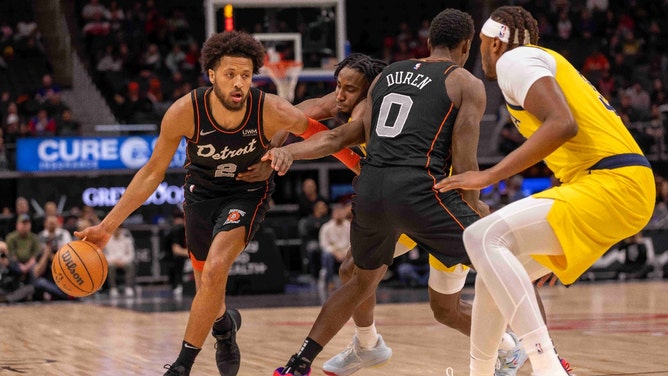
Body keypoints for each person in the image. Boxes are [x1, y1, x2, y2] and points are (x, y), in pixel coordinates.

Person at [74, 30, 357, 376]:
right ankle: (224, 328)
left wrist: (359, 165)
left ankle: (181, 366)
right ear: (211, 75)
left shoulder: (269, 109)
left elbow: (320, 132)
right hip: (201, 194)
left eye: (246, 75)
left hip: (247, 192)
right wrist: (107, 227)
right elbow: (151, 173)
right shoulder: (185, 111)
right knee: (207, 291)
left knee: (217, 266)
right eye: (229, 74)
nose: (239, 83)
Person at [267, 9, 495, 376]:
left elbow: (464, 163)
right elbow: (313, 114)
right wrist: (280, 138)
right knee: (353, 270)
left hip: (435, 198)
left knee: (446, 309)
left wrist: (474, 208)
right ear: (466, 46)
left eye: (348, 88)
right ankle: (367, 345)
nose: (339, 96)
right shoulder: (363, 98)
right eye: (338, 86)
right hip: (402, 198)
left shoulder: (393, 85)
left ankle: (515, 348)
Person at [434, 6, 654, 376]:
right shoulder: (535, 63)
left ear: (495, 43)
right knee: (496, 270)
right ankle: (482, 372)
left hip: (614, 183)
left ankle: (545, 364)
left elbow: (562, 125)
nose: (480, 52)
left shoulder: (514, 61)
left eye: (483, 43)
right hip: (609, 186)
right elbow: (571, 143)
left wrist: (490, 176)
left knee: (481, 237)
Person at [317, 203, 351, 291]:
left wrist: (345, 253)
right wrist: (336, 253)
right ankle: (330, 282)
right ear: (333, 214)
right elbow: (324, 244)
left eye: (341, 212)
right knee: (326, 255)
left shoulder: (350, 226)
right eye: (337, 212)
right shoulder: (326, 227)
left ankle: (352, 282)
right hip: (333, 253)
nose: (339, 214)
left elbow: (353, 243)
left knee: (357, 254)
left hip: (346, 252)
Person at [104, 226, 136, 298]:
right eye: (115, 229)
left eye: (118, 229)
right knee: (110, 268)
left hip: (124, 261)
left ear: (121, 229)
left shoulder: (127, 239)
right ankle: (113, 288)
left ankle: (128, 287)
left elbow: (131, 254)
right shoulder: (107, 240)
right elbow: (105, 255)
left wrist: (123, 261)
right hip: (112, 261)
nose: (117, 231)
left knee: (130, 266)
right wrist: (114, 261)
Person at [164, 208, 189, 297]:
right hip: (180, 256)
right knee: (179, 260)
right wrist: (190, 253)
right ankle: (178, 284)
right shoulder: (177, 230)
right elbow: (176, 249)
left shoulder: (195, 229)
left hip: (192, 254)